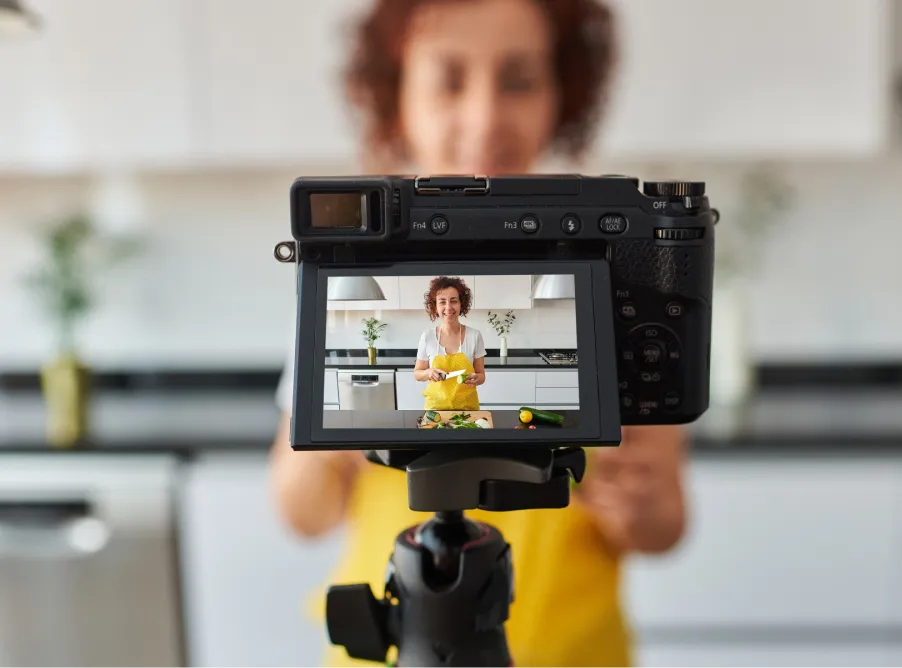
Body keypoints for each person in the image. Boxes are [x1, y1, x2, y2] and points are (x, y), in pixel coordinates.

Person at [269, 1, 689, 666]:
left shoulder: (618, 269)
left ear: (562, 91)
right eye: (449, 79)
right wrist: (336, 437)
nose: (486, 117)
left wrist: (643, 510)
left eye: (519, 81)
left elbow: (666, 521)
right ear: (396, 94)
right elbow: (299, 510)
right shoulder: (359, 272)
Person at [413, 276, 487, 411]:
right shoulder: (427, 337)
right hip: (435, 409)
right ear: (435, 306)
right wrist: (429, 372)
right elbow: (417, 374)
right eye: (442, 302)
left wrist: (477, 378)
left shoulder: (474, 336)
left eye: (454, 301)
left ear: (461, 304)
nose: (448, 307)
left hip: (467, 409)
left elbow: (482, 376)